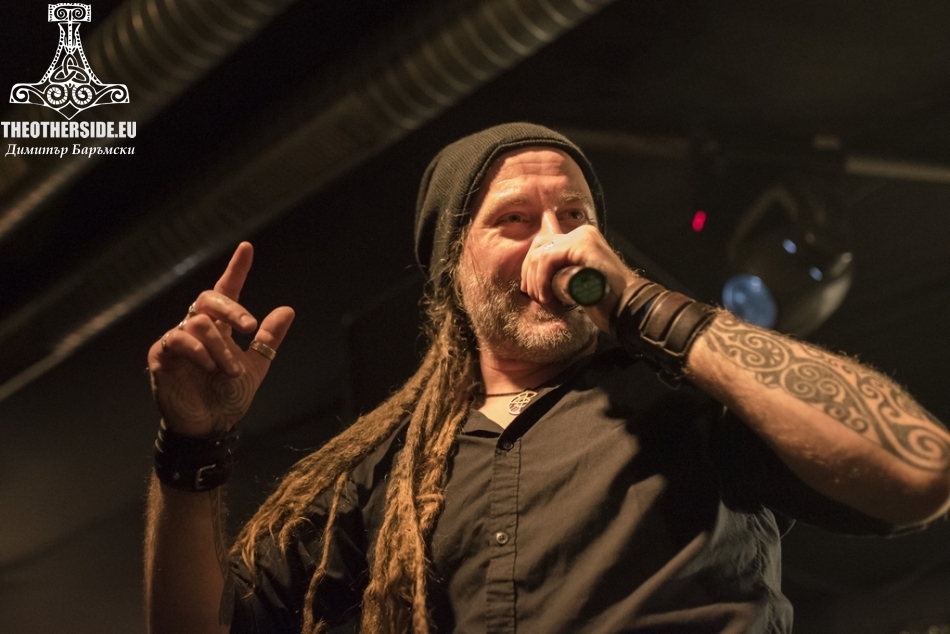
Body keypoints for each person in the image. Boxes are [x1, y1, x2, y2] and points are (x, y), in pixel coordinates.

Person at [144, 123, 950, 634]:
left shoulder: (688, 401)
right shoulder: (377, 473)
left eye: (574, 216)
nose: (555, 240)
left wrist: (642, 303)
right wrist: (192, 443)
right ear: (452, 268)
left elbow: (917, 473)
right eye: (515, 220)